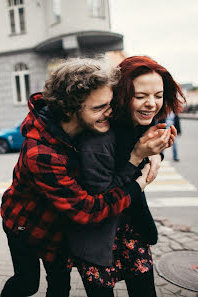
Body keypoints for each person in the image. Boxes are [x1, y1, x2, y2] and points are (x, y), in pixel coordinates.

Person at [0, 57, 170, 297]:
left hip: (63, 222)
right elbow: (87, 211)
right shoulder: (42, 154)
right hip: (29, 223)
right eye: (99, 108)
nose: (109, 113)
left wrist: (155, 153)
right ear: (69, 108)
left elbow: (139, 118)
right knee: (28, 283)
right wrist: (139, 182)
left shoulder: (92, 121)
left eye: (109, 104)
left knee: (60, 287)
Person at [68, 55, 185, 297]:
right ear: (121, 95)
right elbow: (102, 199)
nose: (152, 104)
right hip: (96, 238)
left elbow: (149, 153)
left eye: (158, 95)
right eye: (140, 96)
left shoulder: (143, 122)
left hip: (133, 230)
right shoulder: (97, 138)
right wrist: (138, 157)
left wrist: (155, 154)